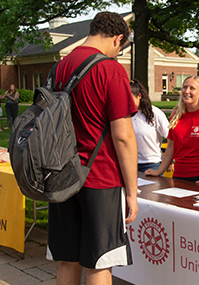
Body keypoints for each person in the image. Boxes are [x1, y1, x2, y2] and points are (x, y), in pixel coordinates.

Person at [46, 12, 138, 285]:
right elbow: (123, 136)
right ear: (118, 38)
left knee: (67, 258)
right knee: (100, 261)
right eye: (121, 48)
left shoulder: (59, 68)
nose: (119, 54)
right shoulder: (110, 70)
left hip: (62, 174)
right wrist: (132, 193)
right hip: (100, 177)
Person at [145, 75, 199, 186]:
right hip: (179, 176)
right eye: (184, 87)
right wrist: (159, 171)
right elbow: (171, 147)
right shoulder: (176, 115)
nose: (186, 91)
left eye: (192, 88)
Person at [130, 79, 170, 172]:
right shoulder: (124, 114)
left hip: (152, 164)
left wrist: (168, 162)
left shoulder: (155, 113)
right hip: (130, 164)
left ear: (139, 96)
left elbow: (170, 138)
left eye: (129, 97)